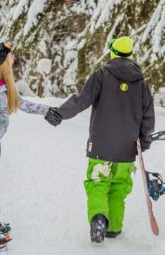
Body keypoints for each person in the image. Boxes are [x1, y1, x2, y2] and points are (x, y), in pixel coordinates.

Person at [45, 36, 155, 243]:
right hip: (127, 148)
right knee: (119, 186)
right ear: (130, 54)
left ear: (112, 52)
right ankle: (113, 226)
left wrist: (59, 113)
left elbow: (81, 100)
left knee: (98, 182)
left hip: (101, 146)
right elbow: (148, 116)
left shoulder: (102, 76)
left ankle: (98, 218)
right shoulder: (141, 84)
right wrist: (145, 141)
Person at [0, 41, 54, 255]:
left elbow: (19, 102)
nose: (13, 59)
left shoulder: (0, 82)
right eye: (10, 57)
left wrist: (46, 111)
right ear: (1, 61)